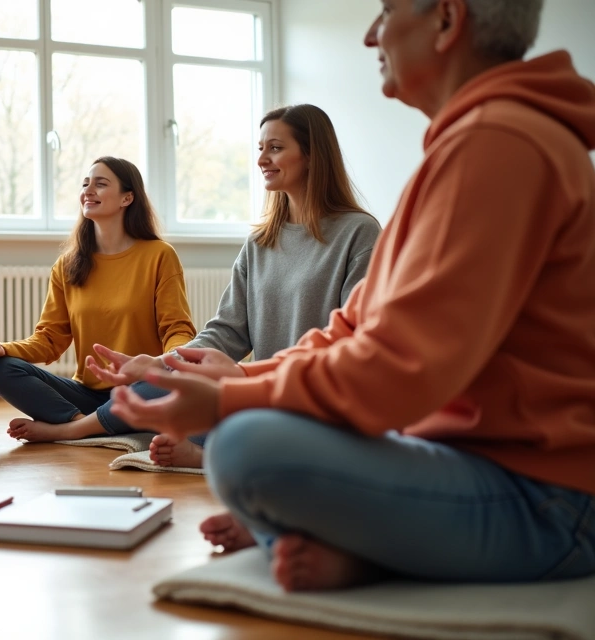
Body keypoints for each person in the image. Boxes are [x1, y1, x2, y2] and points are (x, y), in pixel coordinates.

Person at [111, 0, 595, 592]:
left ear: (446, 20)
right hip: (466, 460)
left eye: (387, 12)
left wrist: (227, 404)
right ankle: (350, 539)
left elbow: (397, 367)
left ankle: (355, 544)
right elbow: (353, 329)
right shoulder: (469, 145)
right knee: (242, 431)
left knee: (242, 447)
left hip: (546, 498)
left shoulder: (498, 144)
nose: (371, 35)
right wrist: (235, 379)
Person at [89, 104, 381, 469]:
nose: (262, 159)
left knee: (217, 417)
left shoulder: (359, 233)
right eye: (260, 148)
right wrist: (160, 363)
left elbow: (352, 343)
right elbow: (225, 332)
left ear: (310, 155)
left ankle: (213, 452)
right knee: (159, 387)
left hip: (314, 401)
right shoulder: (259, 243)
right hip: (260, 398)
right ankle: (222, 447)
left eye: (275, 147)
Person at [0, 157, 197, 442]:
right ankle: (85, 425)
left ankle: (72, 429)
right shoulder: (67, 265)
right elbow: (49, 339)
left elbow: (178, 330)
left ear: (128, 197)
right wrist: (2, 348)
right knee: (2, 370)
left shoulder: (159, 255)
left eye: (100, 184)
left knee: (164, 388)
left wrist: (161, 362)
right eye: (85, 184)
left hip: (140, 389)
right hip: (87, 395)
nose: (88, 191)